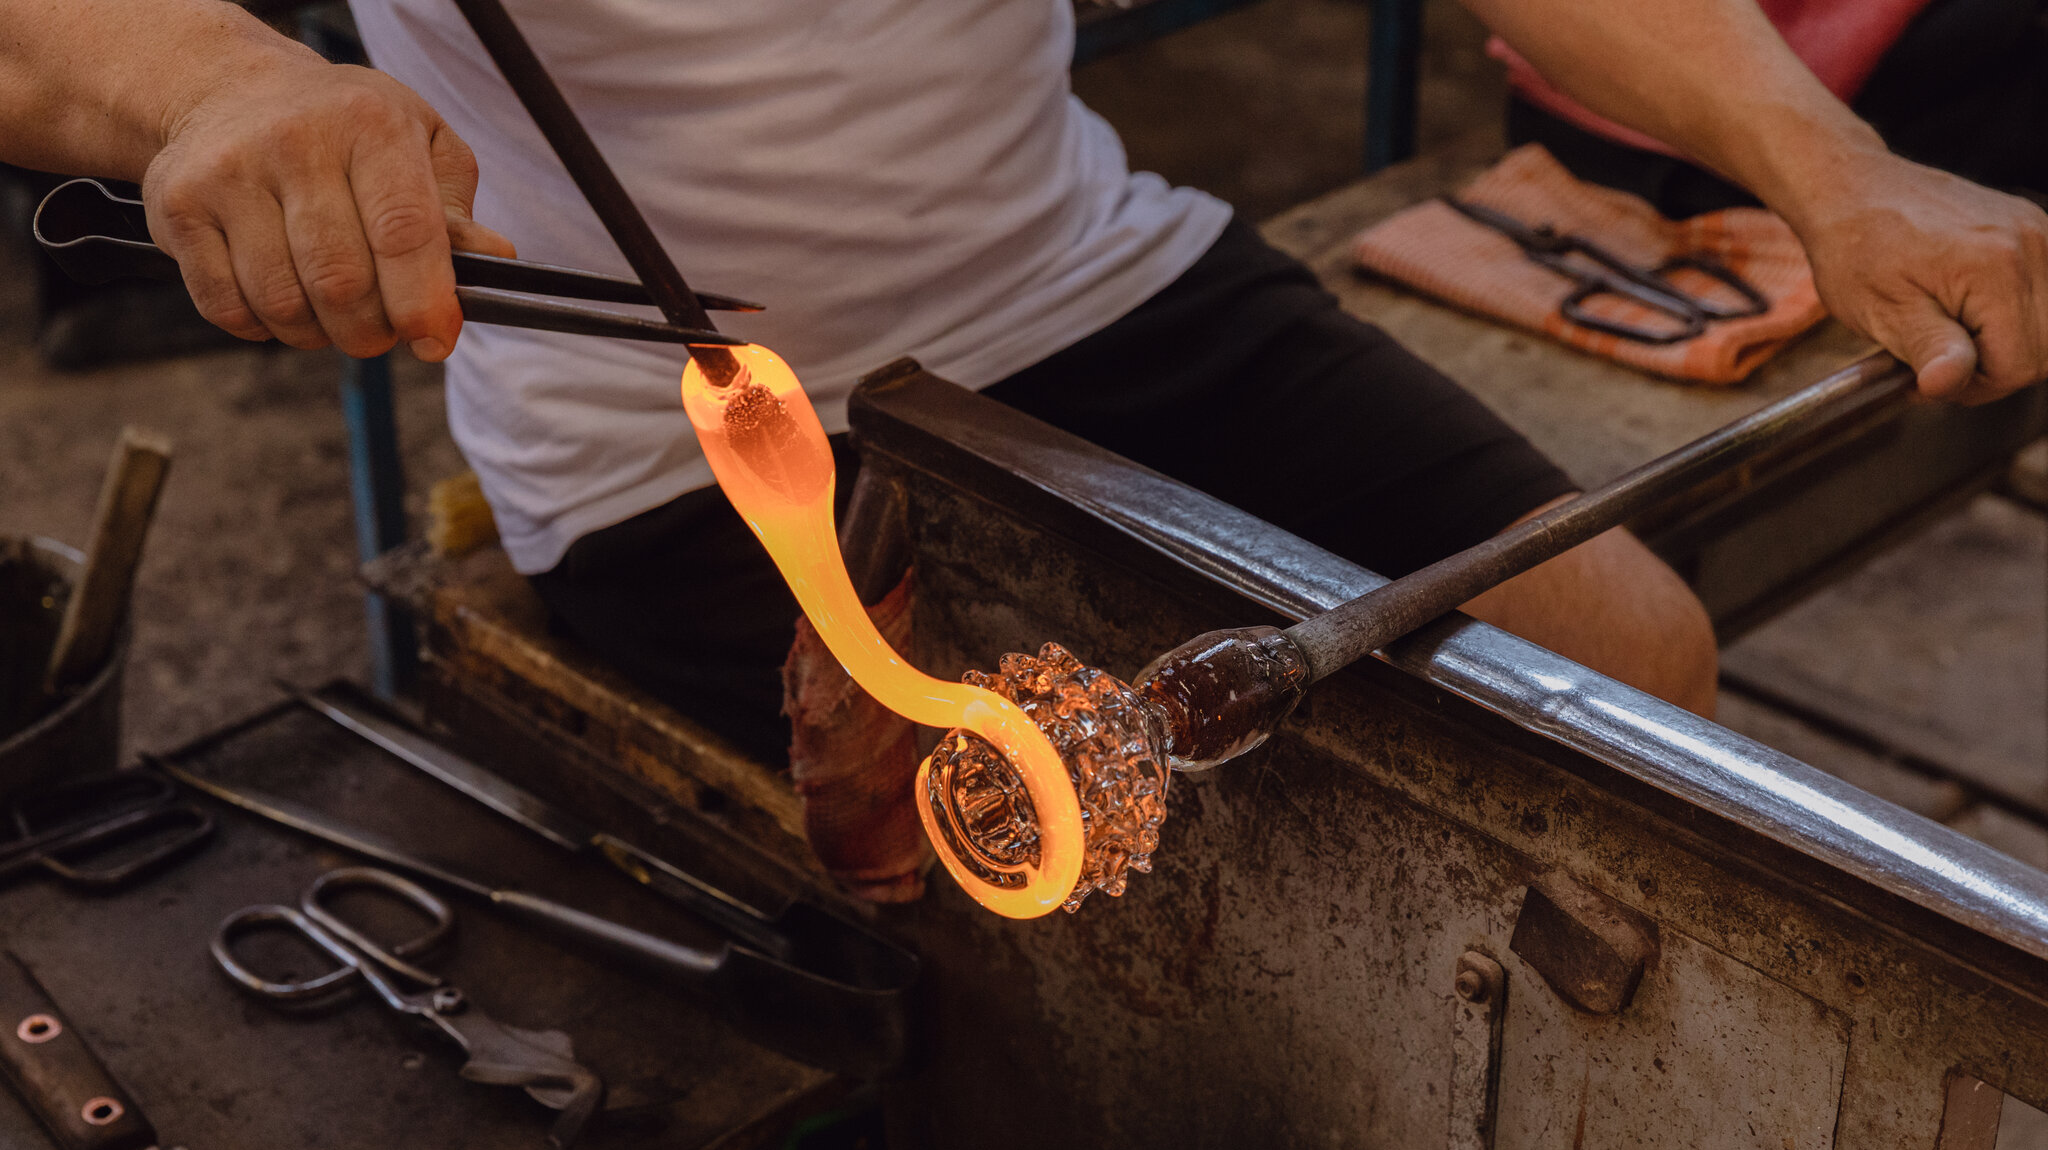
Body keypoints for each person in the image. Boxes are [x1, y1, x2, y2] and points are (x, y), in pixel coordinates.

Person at [3, 0, 2044, 756]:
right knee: (1102, 867)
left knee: (1624, 661)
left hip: (1090, 266)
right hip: (683, 437)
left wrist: (1823, 159)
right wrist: (229, 79)